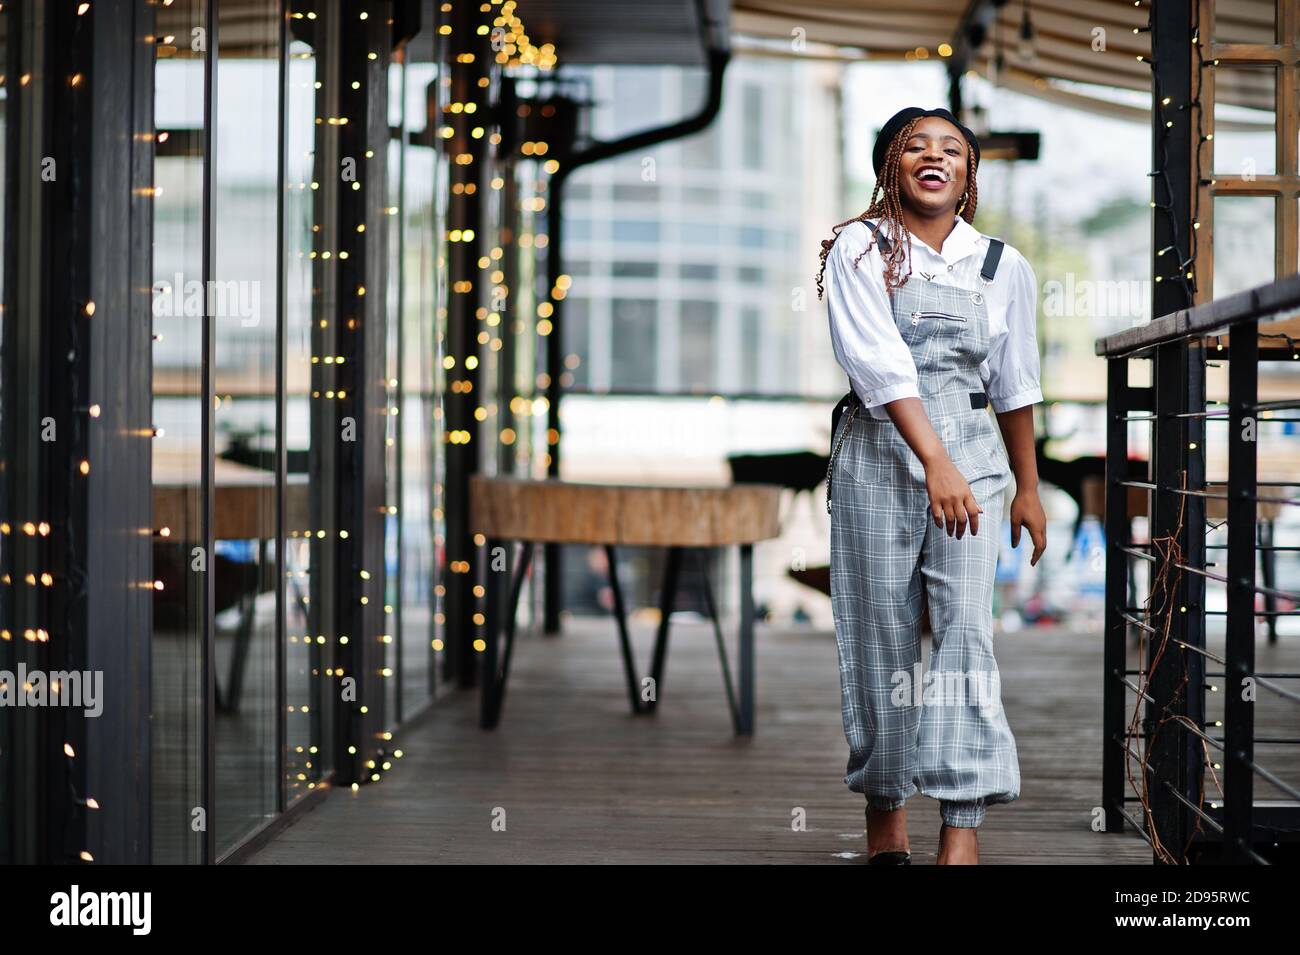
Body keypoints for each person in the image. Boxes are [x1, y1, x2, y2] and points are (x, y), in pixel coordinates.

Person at [817, 106, 1047, 865]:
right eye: (915, 145)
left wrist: (1026, 486)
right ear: (890, 163)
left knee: (966, 637)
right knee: (880, 635)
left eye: (952, 148)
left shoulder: (1001, 265)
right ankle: (886, 811)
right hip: (879, 453)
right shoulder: (861, 247)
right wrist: (932, 461)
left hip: (976, 456)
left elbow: (1015, 384)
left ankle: (962, 824)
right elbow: (879, 365)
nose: (934, 156)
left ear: (969, 173)